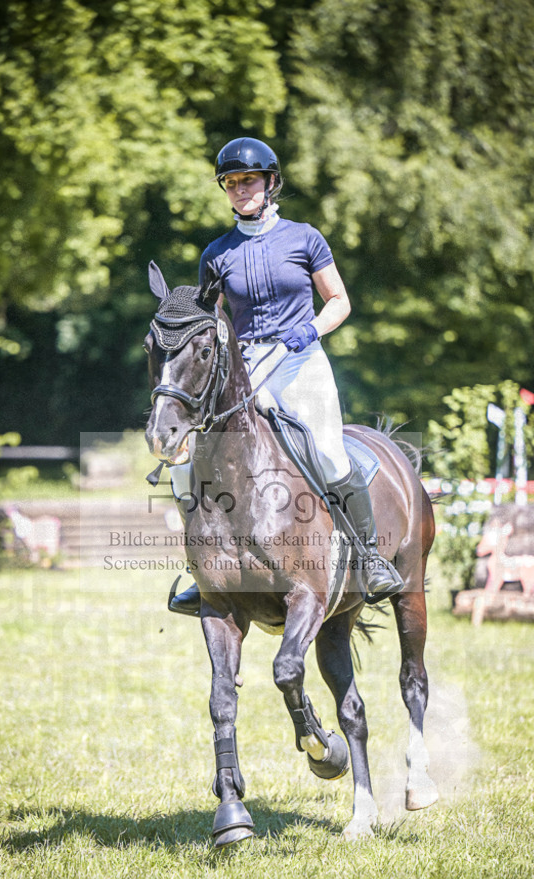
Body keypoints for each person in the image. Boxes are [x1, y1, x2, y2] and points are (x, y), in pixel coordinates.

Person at [168, 137, 403, 614]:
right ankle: (204, 571)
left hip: (300, 359)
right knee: (186, 466)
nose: (240, 189)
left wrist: (310, 329)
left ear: (270, 182)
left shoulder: (304, 238)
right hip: (245, 368)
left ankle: (369, 557)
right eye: (231, 183)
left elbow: (339, 300)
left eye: (248, 180)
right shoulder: (217, 253)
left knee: (330, 455)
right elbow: (211, 319)